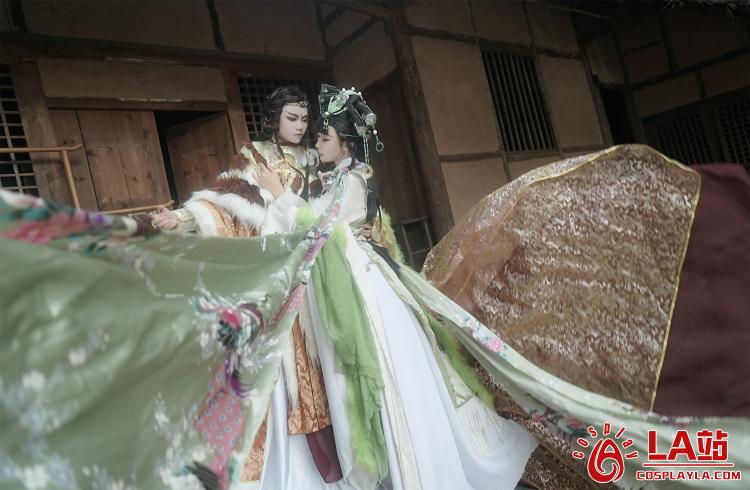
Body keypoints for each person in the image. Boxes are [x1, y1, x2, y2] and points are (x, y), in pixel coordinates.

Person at [250, 84, 537, 489]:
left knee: (391, 376)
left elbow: (323, 231)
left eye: (324, 137)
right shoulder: (339, 179)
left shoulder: (353, 181)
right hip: (353, 281)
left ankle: (420, 471)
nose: (316, 142)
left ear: (346, 143)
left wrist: (281, 196)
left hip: (366, 291)